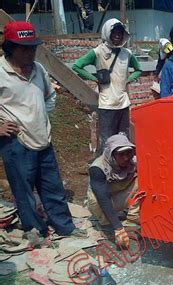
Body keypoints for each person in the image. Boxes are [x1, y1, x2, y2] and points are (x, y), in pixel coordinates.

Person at [0, 21, 83, 238]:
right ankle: (35, 229)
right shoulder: (1, 71)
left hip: (42, 138)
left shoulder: (39, 70)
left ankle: (65, 226)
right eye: (24, 48)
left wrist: (41, 118)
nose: (30, 52)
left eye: (33, 47)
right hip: (16, 142)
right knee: (24, 191)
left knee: (53, 187)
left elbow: (50, 96)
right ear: (10, 47)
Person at [72, 18, 142, 155]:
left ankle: (121, 170)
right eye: (114, 33)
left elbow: (138, 69)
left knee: (123, 141)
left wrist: (128, 80)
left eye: (120, 33)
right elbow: (77, 66)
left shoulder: (127, 54)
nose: (117, 36)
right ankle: (104, 169)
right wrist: (94, 79)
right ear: (107, 34)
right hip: (107, 105)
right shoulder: (97, 52)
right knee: (107, 142)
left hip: (123, 103)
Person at [87, 134, 139, 248]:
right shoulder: (98, 168)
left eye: (128, 153)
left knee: (142, 183)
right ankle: (107, 224)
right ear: (111, 153)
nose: (126, 158)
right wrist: (118, 228)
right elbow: (103, 199)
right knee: (94, 200)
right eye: (121, 154)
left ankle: (132, 222)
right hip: (105, 199)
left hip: (122, 192)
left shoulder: (133, 161)